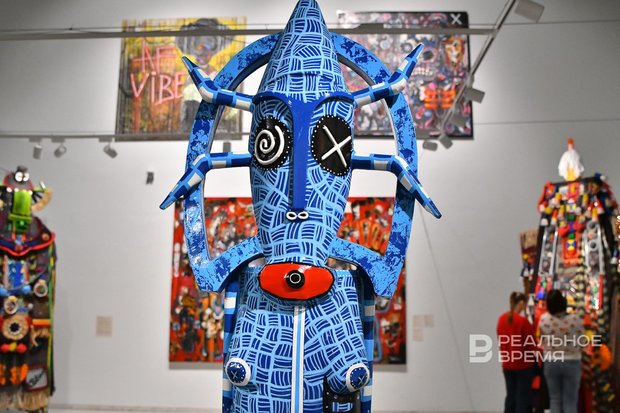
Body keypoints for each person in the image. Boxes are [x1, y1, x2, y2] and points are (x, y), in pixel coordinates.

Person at [538, 290, 583, 413]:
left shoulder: (544, 320)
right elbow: (582, 342)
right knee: (570, 401)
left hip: (551, 361)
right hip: (572, 361)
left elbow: (542, 340)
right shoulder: (576, 320)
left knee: (555, 399)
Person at [497, 292, 537, 413]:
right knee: (522, 399)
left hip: (507, 364)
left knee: (511, 396)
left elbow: (500, 340)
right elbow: (532, 344)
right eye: (525, 304)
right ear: (521, 303)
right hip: (523, 365)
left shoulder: (501, 319)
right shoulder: (523, 321)